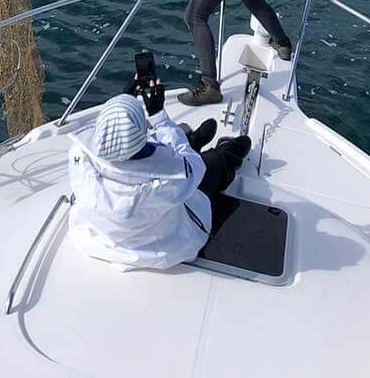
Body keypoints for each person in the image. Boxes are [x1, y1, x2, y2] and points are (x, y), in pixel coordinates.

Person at [68, 74, 251, 270]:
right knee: (213, 164)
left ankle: (191, 141)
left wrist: (122, 105)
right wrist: (159, 117)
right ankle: (224, 152)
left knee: (181, 154)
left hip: (98, 241)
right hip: (162, 247)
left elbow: (108, 134)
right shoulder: (168, 181)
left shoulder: (79, 157)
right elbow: (194, 167)